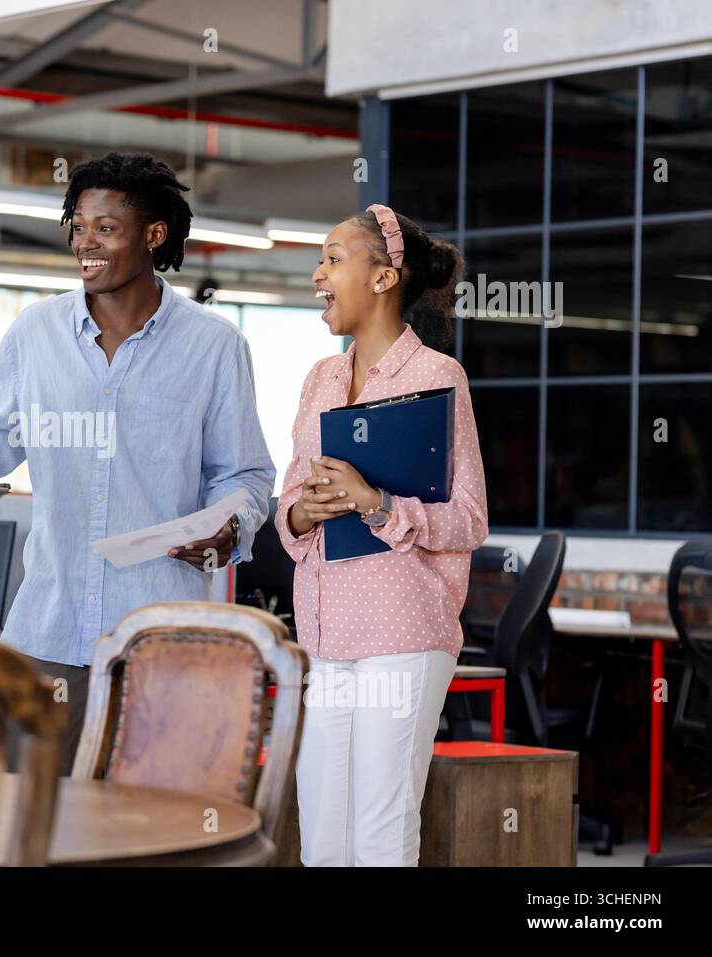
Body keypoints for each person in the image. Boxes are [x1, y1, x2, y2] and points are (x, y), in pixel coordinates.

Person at [0, 151, 275, 766]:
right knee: (34, 822)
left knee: (151, 825)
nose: (85, 243)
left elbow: (244, 474)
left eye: (105, 229)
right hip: (49, 631)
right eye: (78, 226)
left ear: (153, 235)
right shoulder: (35, 333)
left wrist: (230, 528)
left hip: (163, 638)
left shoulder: (214, 346)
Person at [276, 203, 489, 866]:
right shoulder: (320, 379)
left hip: (403, 634)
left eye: (334, 258)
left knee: (379, 832)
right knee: (322, 842)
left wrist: (377, 504)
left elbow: (471, 519)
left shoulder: (436, 377)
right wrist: (303, 511)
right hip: (323, 634)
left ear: (382, 278)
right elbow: (289, 498)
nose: (319, 272)